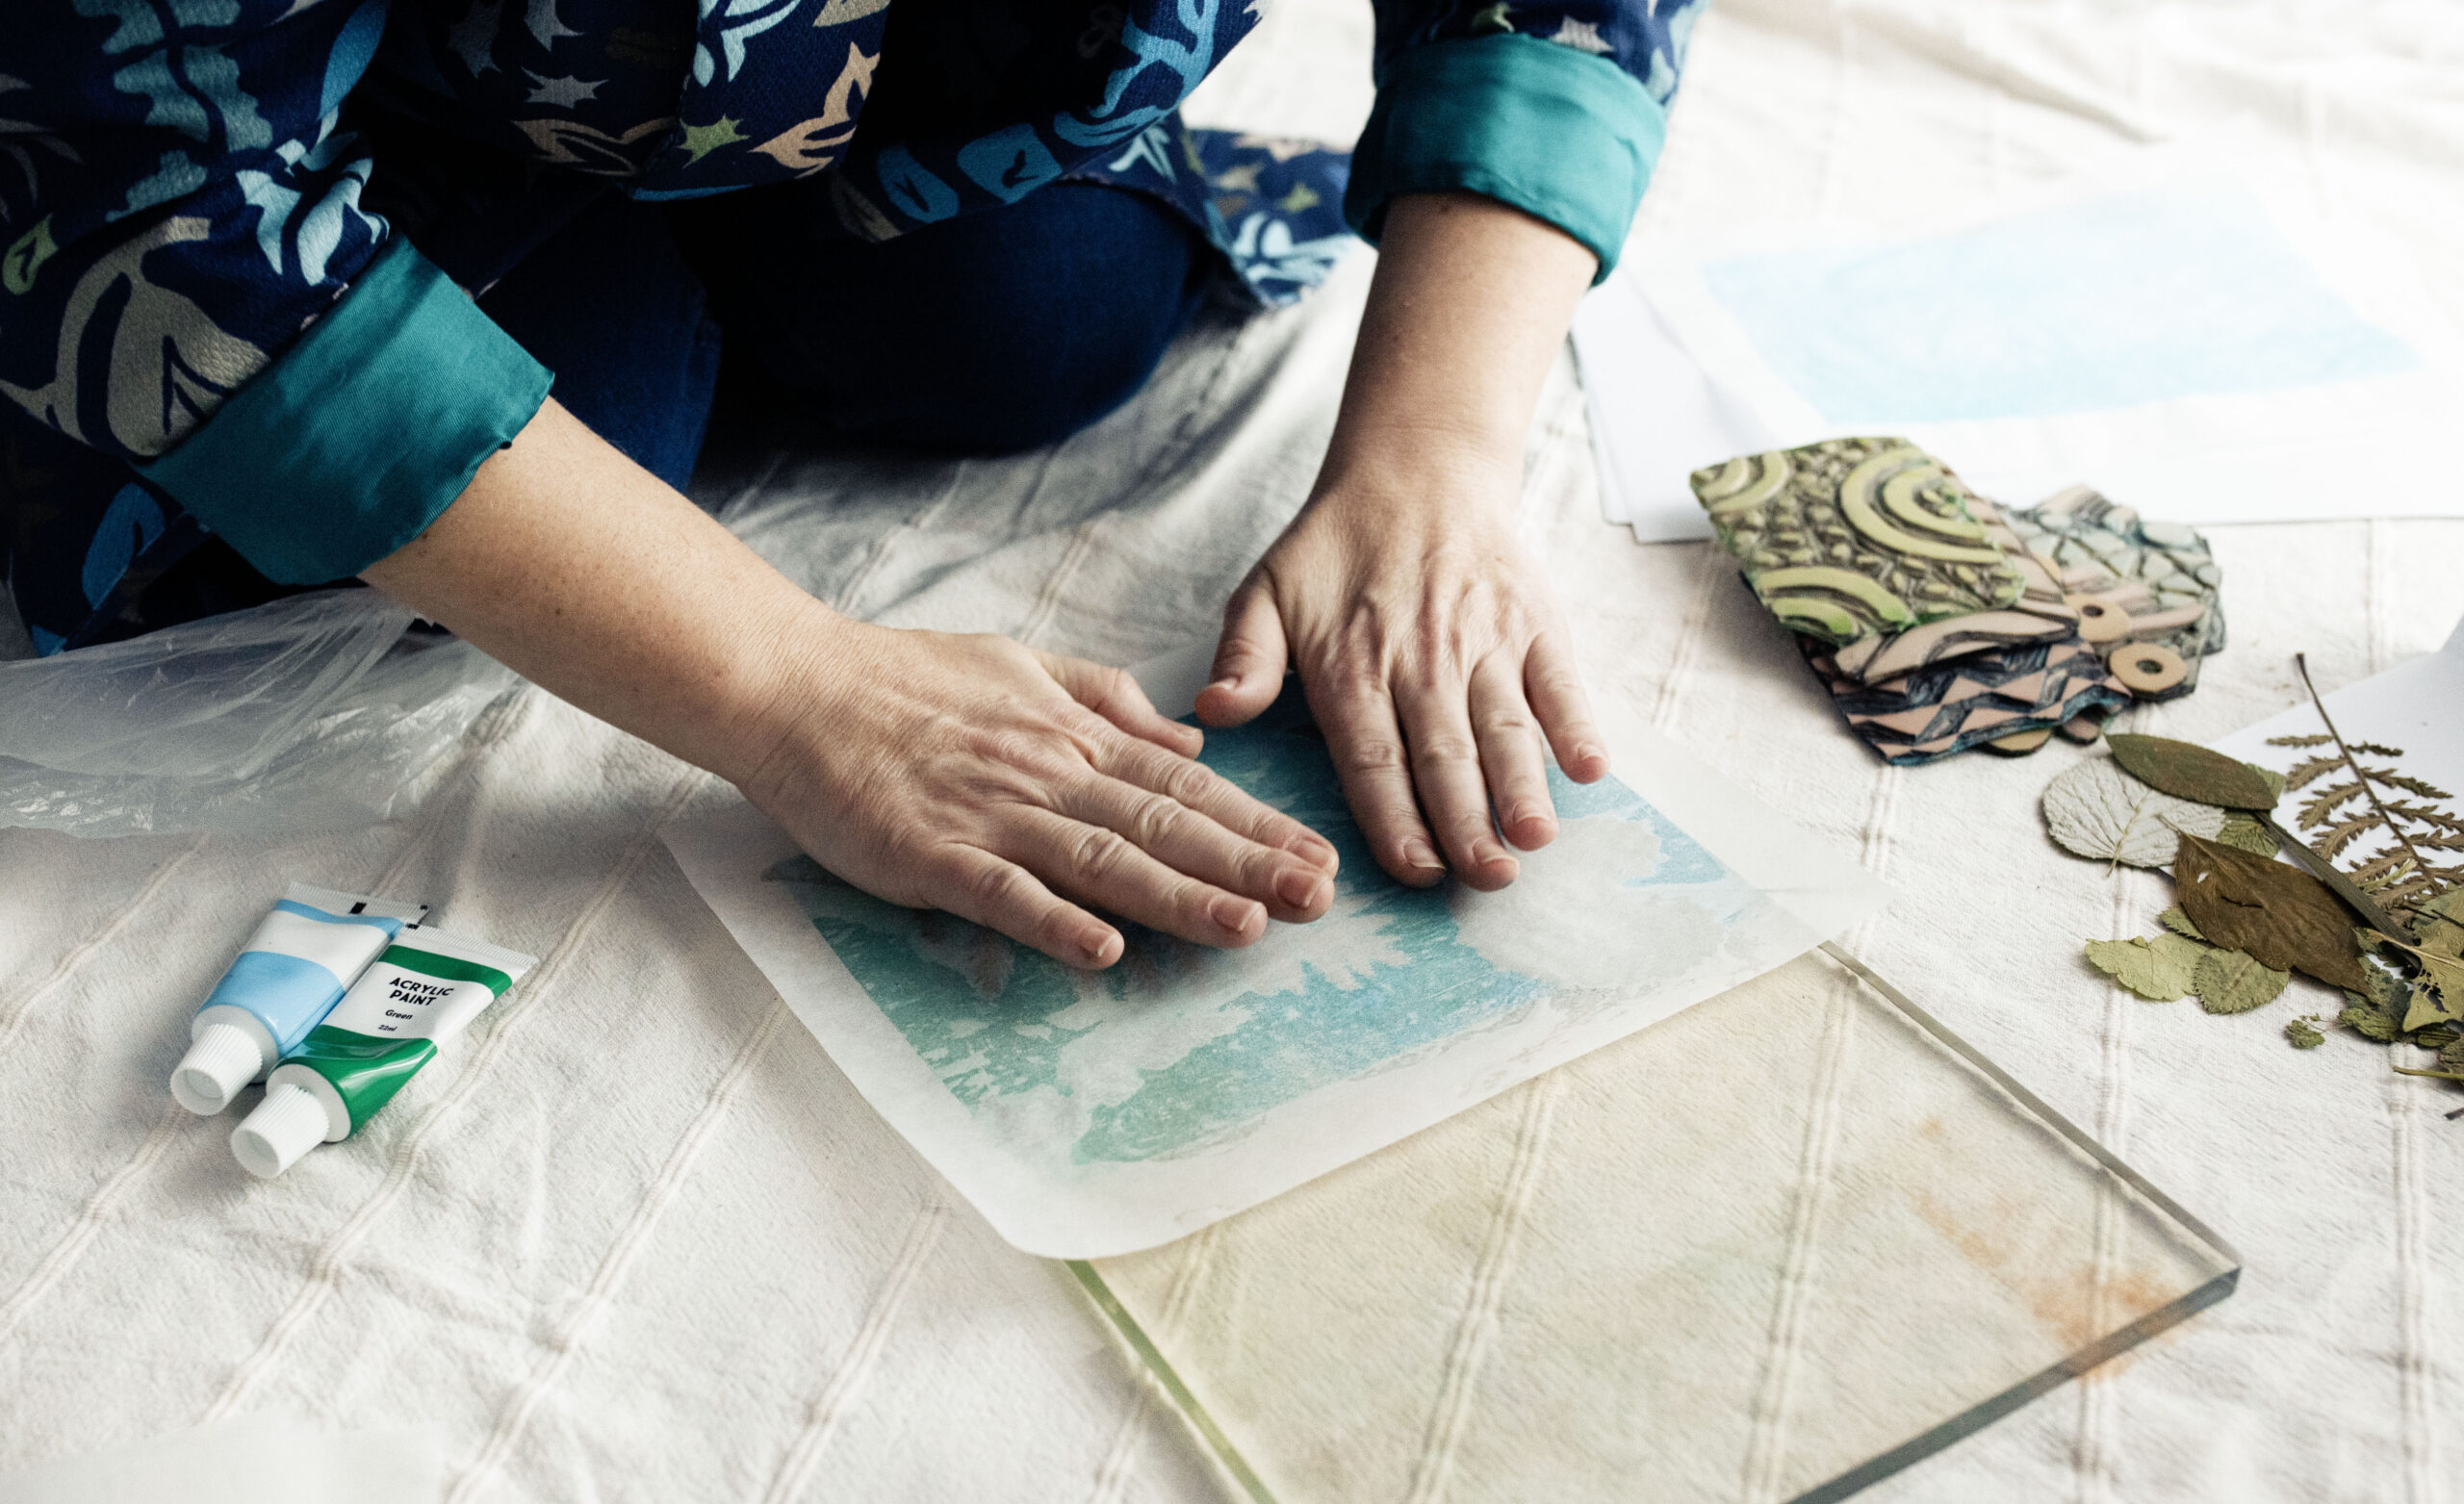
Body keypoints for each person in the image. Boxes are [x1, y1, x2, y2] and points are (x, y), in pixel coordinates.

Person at [1, 0, 1698, 967]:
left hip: (847, 101)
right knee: (597, 421)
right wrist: (791, 683)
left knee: (1046, 320)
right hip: (327, 103)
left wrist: (1429, 457)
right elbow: (139, 188)